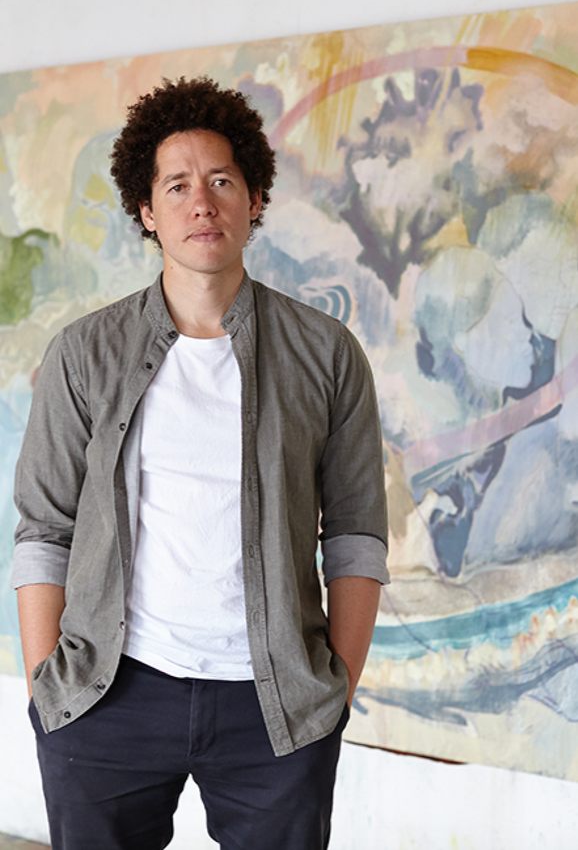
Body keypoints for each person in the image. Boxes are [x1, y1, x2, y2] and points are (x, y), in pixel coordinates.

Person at [12, 76, 388, 850]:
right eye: (176, 185)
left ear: (255, 199)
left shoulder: (325, 354)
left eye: (221, 181)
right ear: (147, 212)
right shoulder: (85, 354)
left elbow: (355, 535)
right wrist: (52, 678)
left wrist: (333, 691)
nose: (201, 202)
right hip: (109, 695)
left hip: (274, 705)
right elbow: (43, 529)